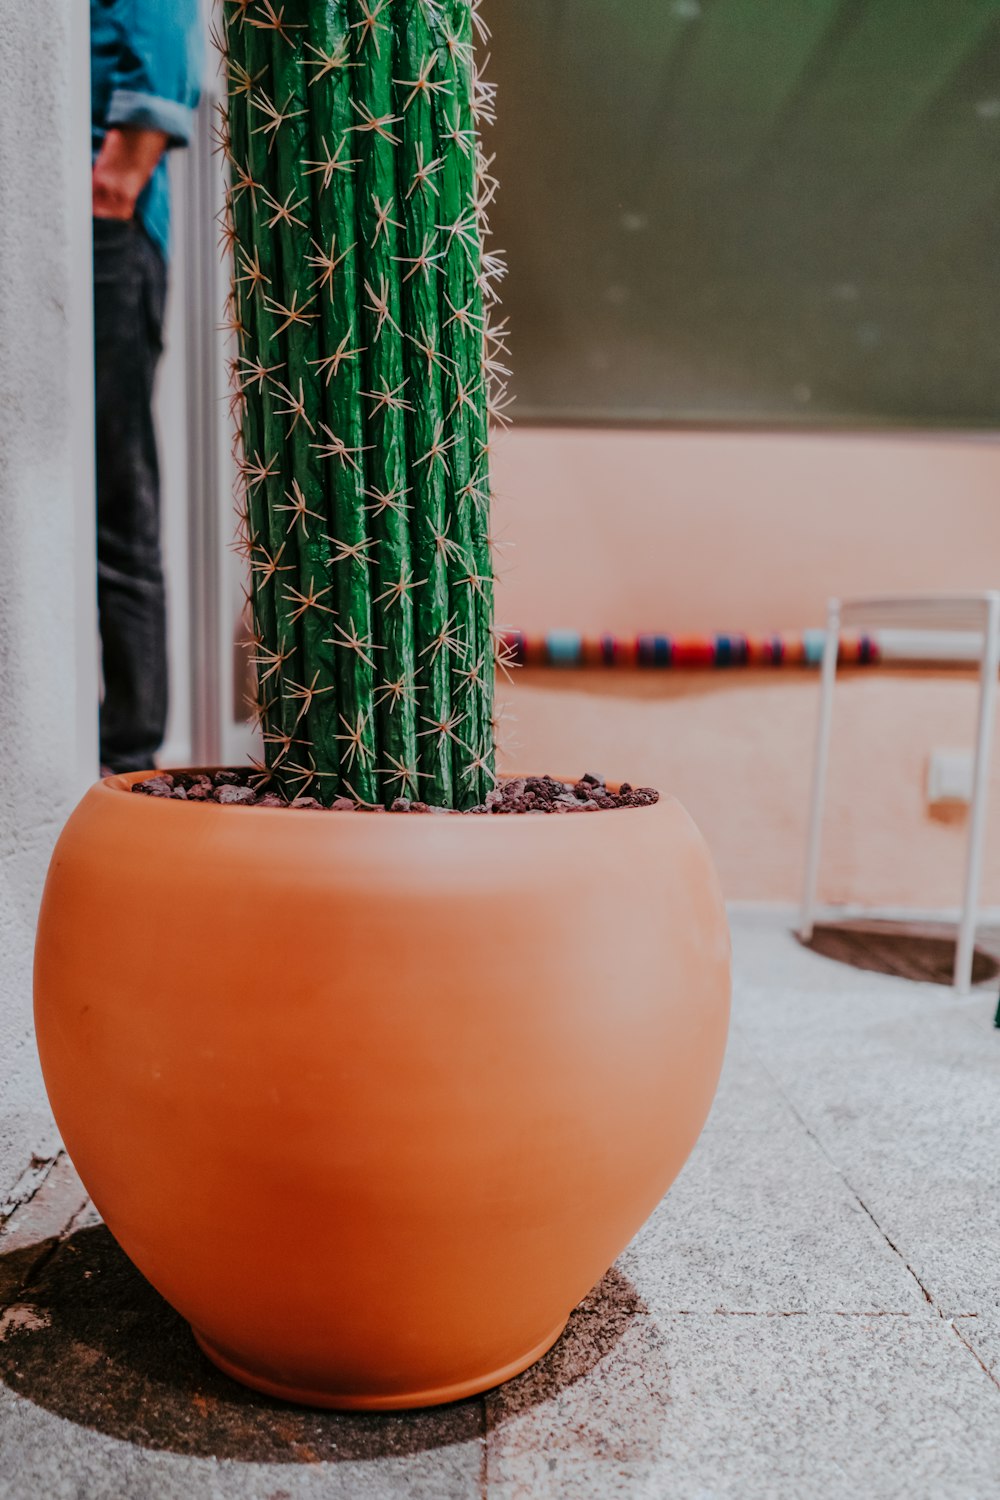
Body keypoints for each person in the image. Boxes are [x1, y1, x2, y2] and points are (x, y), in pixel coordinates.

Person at [91, 0, 203, 773]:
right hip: (99, 221)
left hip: (109, 228)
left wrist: (112, 187)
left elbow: (165, 35)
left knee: (115, 492)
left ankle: (128, 759)